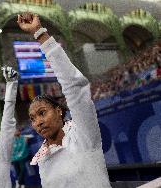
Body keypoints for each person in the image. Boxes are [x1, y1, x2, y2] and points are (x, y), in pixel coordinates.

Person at [17, 12, 111, 188]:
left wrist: (40, 33)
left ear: (59, 110)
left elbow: (74, 87)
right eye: (32, 118)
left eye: (42, 113)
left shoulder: (84, 135)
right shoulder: (42, 159)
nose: (37, 122)